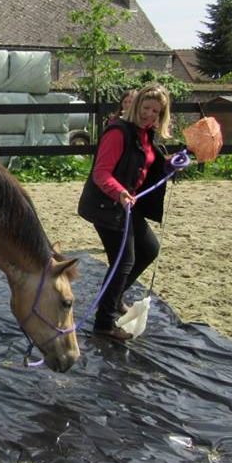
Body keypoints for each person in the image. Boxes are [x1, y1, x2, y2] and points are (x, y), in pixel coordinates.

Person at [78, 82, 172, 341]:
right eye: (146, 107)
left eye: (156, 111)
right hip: (105, 205)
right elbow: (101, 173)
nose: (149, 114)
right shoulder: (118, 132)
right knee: (123, 261)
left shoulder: (146, 135)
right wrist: (119, 192)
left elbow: (147, 167)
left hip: (126, 206)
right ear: (136, 104)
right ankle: (104, 323)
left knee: (149, 249)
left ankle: (113, 298)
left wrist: (170, 165)